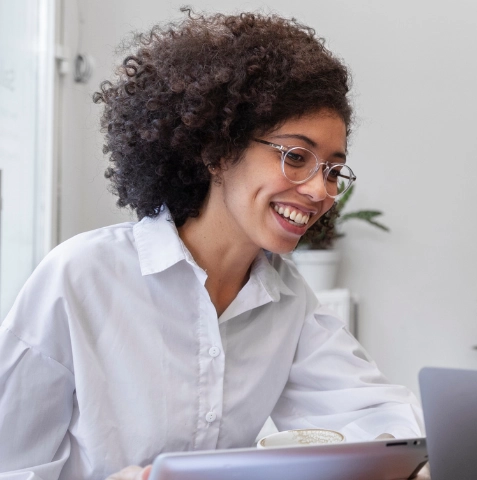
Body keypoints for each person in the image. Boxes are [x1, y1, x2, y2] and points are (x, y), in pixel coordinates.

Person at [0, 10, 423, 480]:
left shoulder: (287, 302)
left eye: (332, 170)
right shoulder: (80, 277)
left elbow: (383, 420)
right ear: (218, 151)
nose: (319, 190)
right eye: (296, 156)